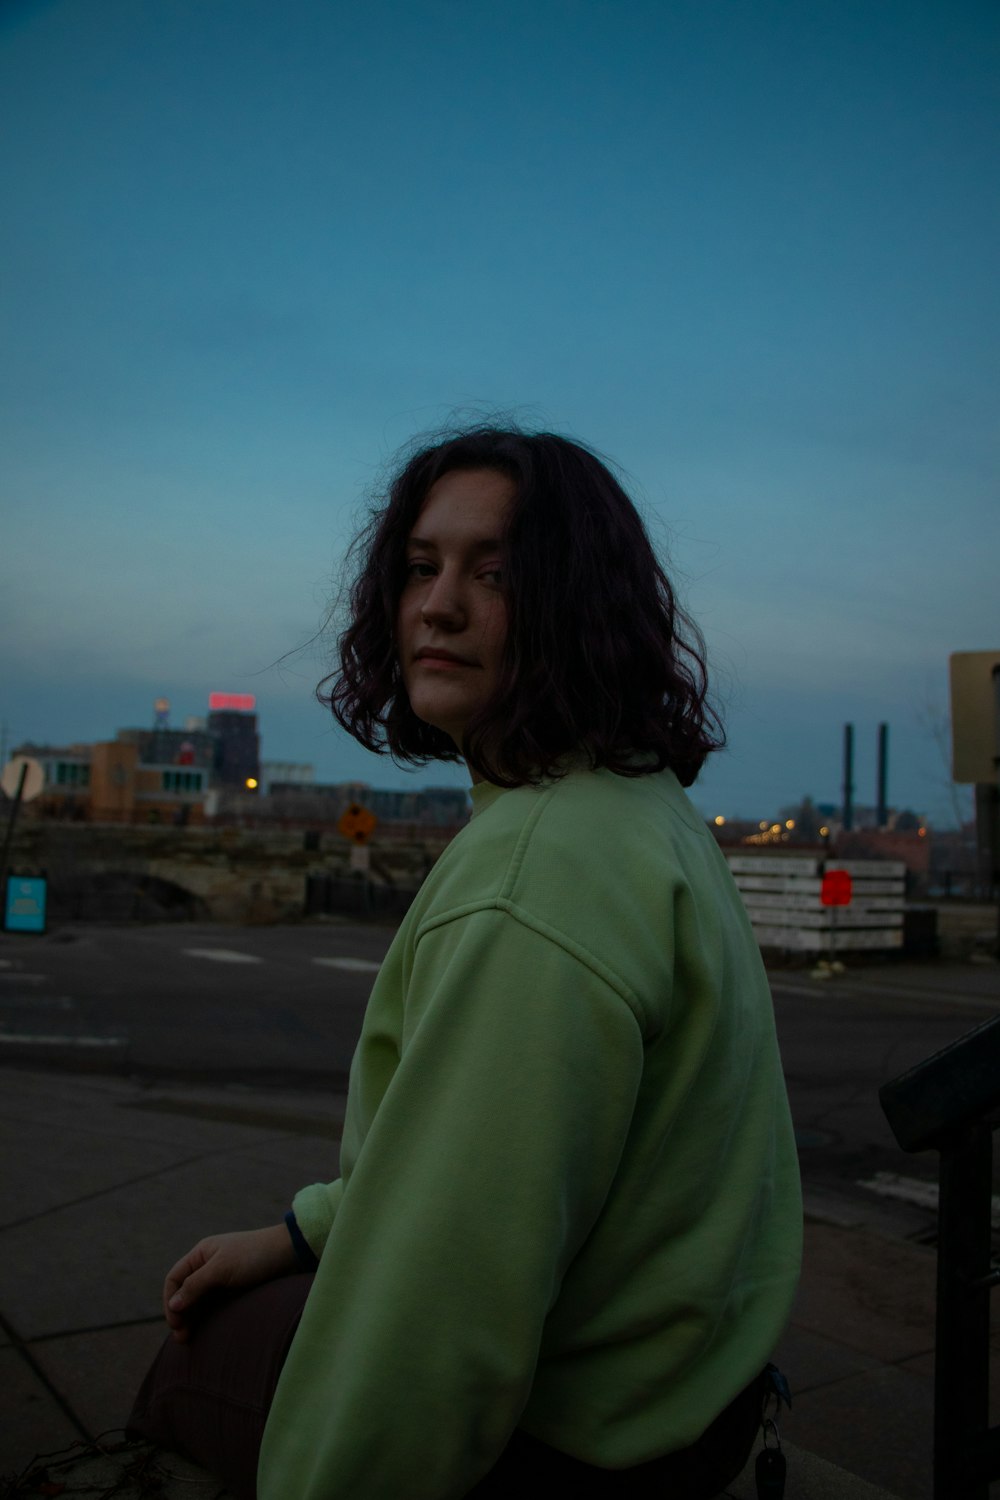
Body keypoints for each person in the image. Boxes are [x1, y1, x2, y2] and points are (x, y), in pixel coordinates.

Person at [129, 426, 802, 1499]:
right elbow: (501, 1161)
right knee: (262, 1301)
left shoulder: (530, 876)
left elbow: (435, 1310)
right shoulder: (639, 810)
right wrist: (306, 1234)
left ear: (578, 607)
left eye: (493, 574)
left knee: (196, 1353)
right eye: (420, 567)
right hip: (689, 1403)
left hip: (580, 1447)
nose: (437, 606)